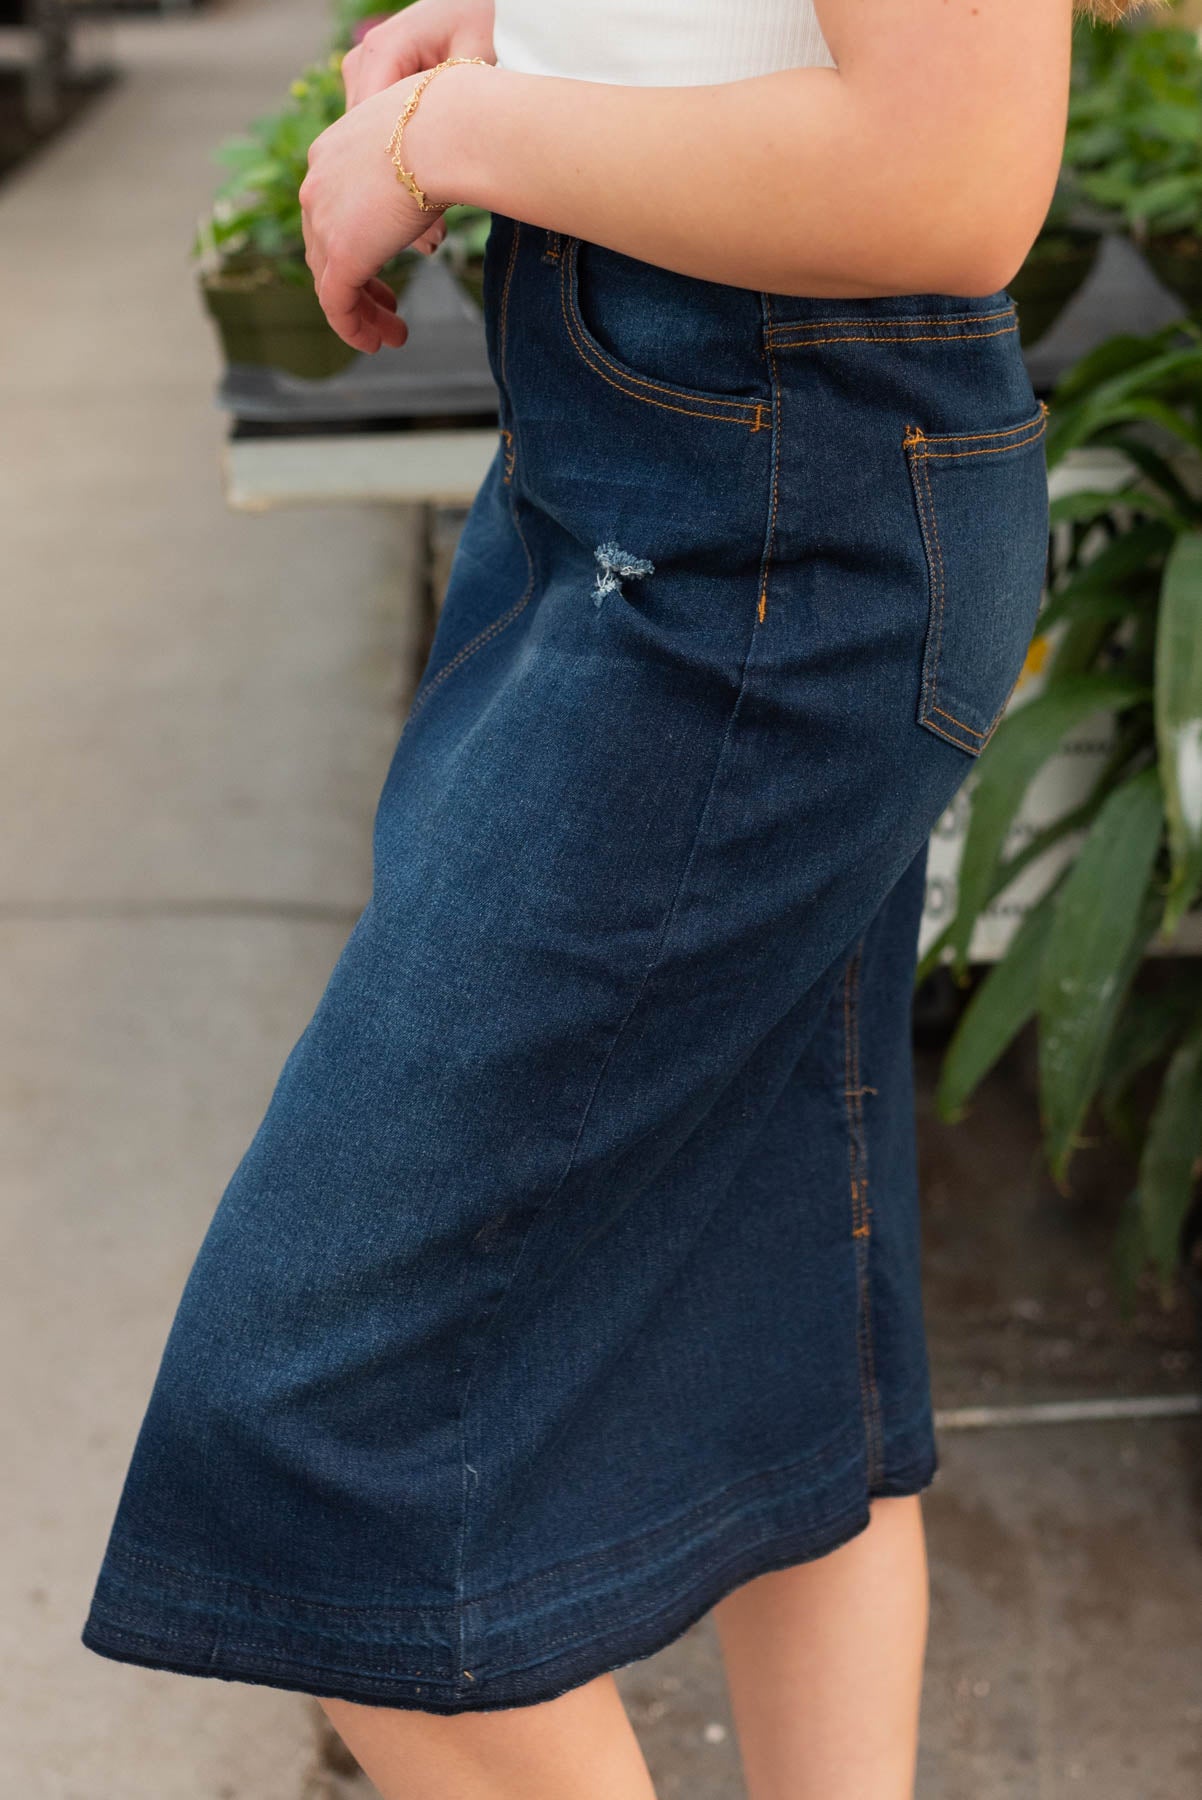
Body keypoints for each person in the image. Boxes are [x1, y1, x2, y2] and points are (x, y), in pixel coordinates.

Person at [81, 3, 1143, 1797]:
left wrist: (451, 141)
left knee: (308, 1448)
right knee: (778, 1317)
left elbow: (943, 178)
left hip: (766, 517)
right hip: (670, 459)